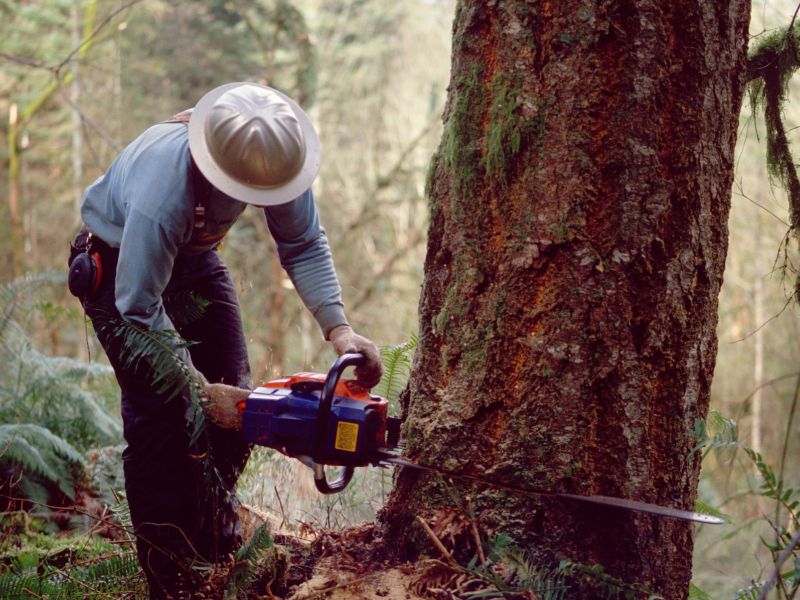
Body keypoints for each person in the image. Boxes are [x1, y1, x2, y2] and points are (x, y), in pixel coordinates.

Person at [68, 82, 383, 598]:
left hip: (193, 262)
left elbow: (302, 242)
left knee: (241, 404)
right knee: (162, 421)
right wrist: (194, 384)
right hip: (119, 271)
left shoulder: (275, 158)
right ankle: (170, 577)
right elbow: (137, 304)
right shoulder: (163, 189)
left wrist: (340, 329)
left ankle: (216, 549)